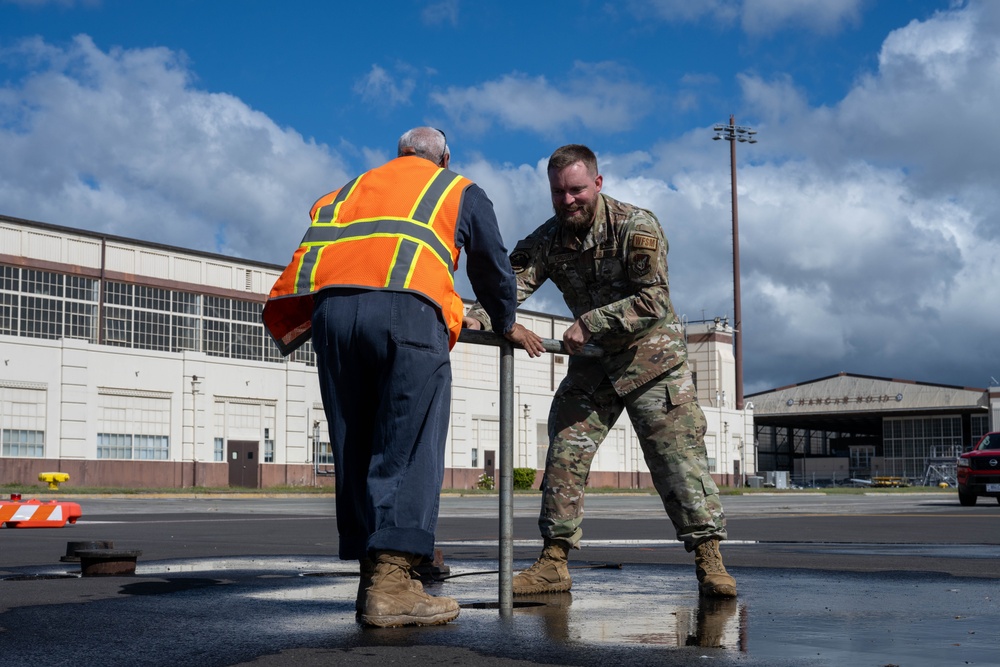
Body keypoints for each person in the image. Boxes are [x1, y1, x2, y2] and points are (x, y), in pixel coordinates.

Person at [263, 127, 545, 627]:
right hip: (408, 311)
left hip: (335, 318)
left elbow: (317, 257)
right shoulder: (454, 189)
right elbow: (491, 265)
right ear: (443, 157)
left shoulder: (347, 191)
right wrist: (504, 321)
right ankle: (393, 583)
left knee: (355, 442)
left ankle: (375, 578)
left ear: (398, 155)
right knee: (408, 443)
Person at [464, 144, 736, 598]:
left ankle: (710, 561)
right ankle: (553, 562)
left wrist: (590, 322)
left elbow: (654, 302)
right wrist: (482, 317)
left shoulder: (636, 226)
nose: (568, 200)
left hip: (652, 360)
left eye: (576, 190)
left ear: (597, 184)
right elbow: (509, 286)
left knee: (676, 459)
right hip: (594, 363)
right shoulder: (549, 239)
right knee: (565, 452)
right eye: (558, 193)